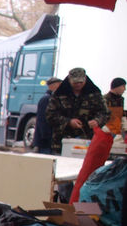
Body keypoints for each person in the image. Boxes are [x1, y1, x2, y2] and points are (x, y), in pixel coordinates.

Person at [71, 76, 126, 204]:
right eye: (123, 86)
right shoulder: (104, 99)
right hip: (103, 135)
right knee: (89, 172)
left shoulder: (120, 100)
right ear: (117, 86)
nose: (124, 89)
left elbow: (120, 115)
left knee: (97, 172)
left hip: (111, 136)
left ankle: (83, 204)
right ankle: (77, 203)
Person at [46, 67, 109, 155]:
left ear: (85, 79)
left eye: (81, 82)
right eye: (75, 82)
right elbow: (50, 115)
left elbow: (105, 113)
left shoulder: (94, 93)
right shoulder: (59, 94)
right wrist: (68, 122)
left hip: (87, 141)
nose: (78, 85)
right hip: (62, 141)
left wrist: (97, 121)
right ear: (69, 80)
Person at [31, 76, 61, 154]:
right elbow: (42, 121)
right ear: (53, 86)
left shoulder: (53, 98)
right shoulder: (46, 99)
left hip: (49, 142)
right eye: (59, 84)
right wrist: (48, 137)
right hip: (45, 143)